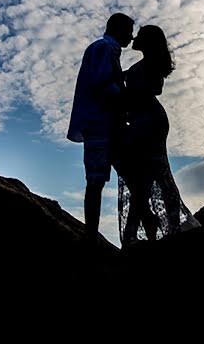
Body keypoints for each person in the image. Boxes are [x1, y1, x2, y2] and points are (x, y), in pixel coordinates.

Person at [116, 25, 200, 246]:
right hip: (145, 121)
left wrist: (125, 92)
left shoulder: (150, 65)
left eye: (140, 35)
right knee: (151, 178)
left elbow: (150, 90)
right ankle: (166, 230)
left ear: (148, 41)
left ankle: (139, 234)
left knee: (145, 179)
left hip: (148, 122)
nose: (135, 37)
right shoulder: (146, 64)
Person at [67, 13, 134, 247]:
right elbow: (104, 86)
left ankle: (98, 236)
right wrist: (129, 97)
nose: (132, 36)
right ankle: (90, 238)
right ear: (118, 29)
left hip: (106, 125)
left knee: (122, 179)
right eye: (129, 31)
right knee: (96, 183)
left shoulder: (106, 49)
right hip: (100, 126)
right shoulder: (104, 48)